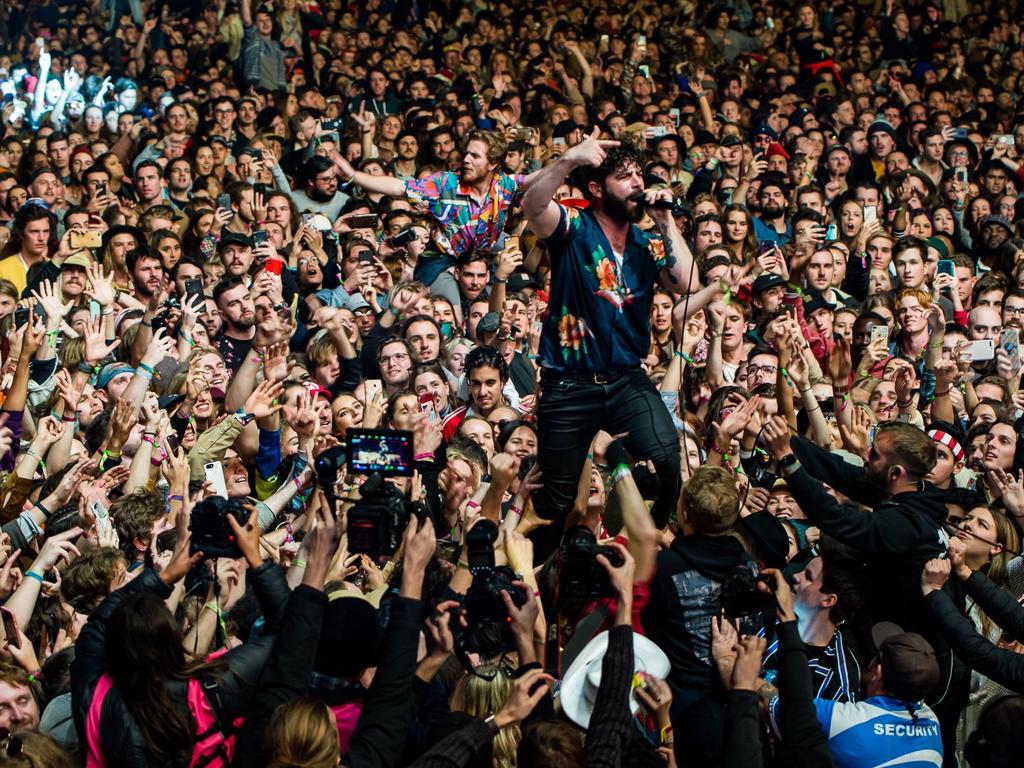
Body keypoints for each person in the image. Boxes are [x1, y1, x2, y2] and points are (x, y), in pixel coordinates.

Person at [521, 130, 697, 541]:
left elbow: (686, 281)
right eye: (626, 177)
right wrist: (568, 159)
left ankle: (648, 541)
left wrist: (666, 220)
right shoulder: (574, 228)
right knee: (557, 499)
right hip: (569, 383)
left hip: (625, 378)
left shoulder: (645, 242)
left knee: (667, 457)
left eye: (640, 174)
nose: (638, 183)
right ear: (598, 189)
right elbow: (533, 205)